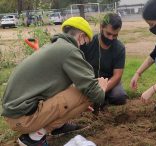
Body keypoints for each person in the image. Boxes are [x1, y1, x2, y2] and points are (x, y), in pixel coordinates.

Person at [1, 17, 108, 145]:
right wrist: (102, 87)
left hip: (15, 113)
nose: (83, 45)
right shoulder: (69, 50)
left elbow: (58, 86)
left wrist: (75, 103)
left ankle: (55, 128)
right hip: (23, 118)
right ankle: (34, 138)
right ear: (81, 36)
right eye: (85, 41)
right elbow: (94, 92)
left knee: (77, 89)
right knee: (87, 93)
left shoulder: (55, 46)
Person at [81, 13, 127, 106]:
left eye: (115, 35)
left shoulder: (120, 48)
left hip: (109, 82)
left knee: (119, 96)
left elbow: (117, 76)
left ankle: (103, 97)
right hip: (90, 81)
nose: (111, 38)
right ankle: (99, 98)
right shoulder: (88, 42)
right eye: (109, 34)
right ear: (101, 27)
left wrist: (102, 89)